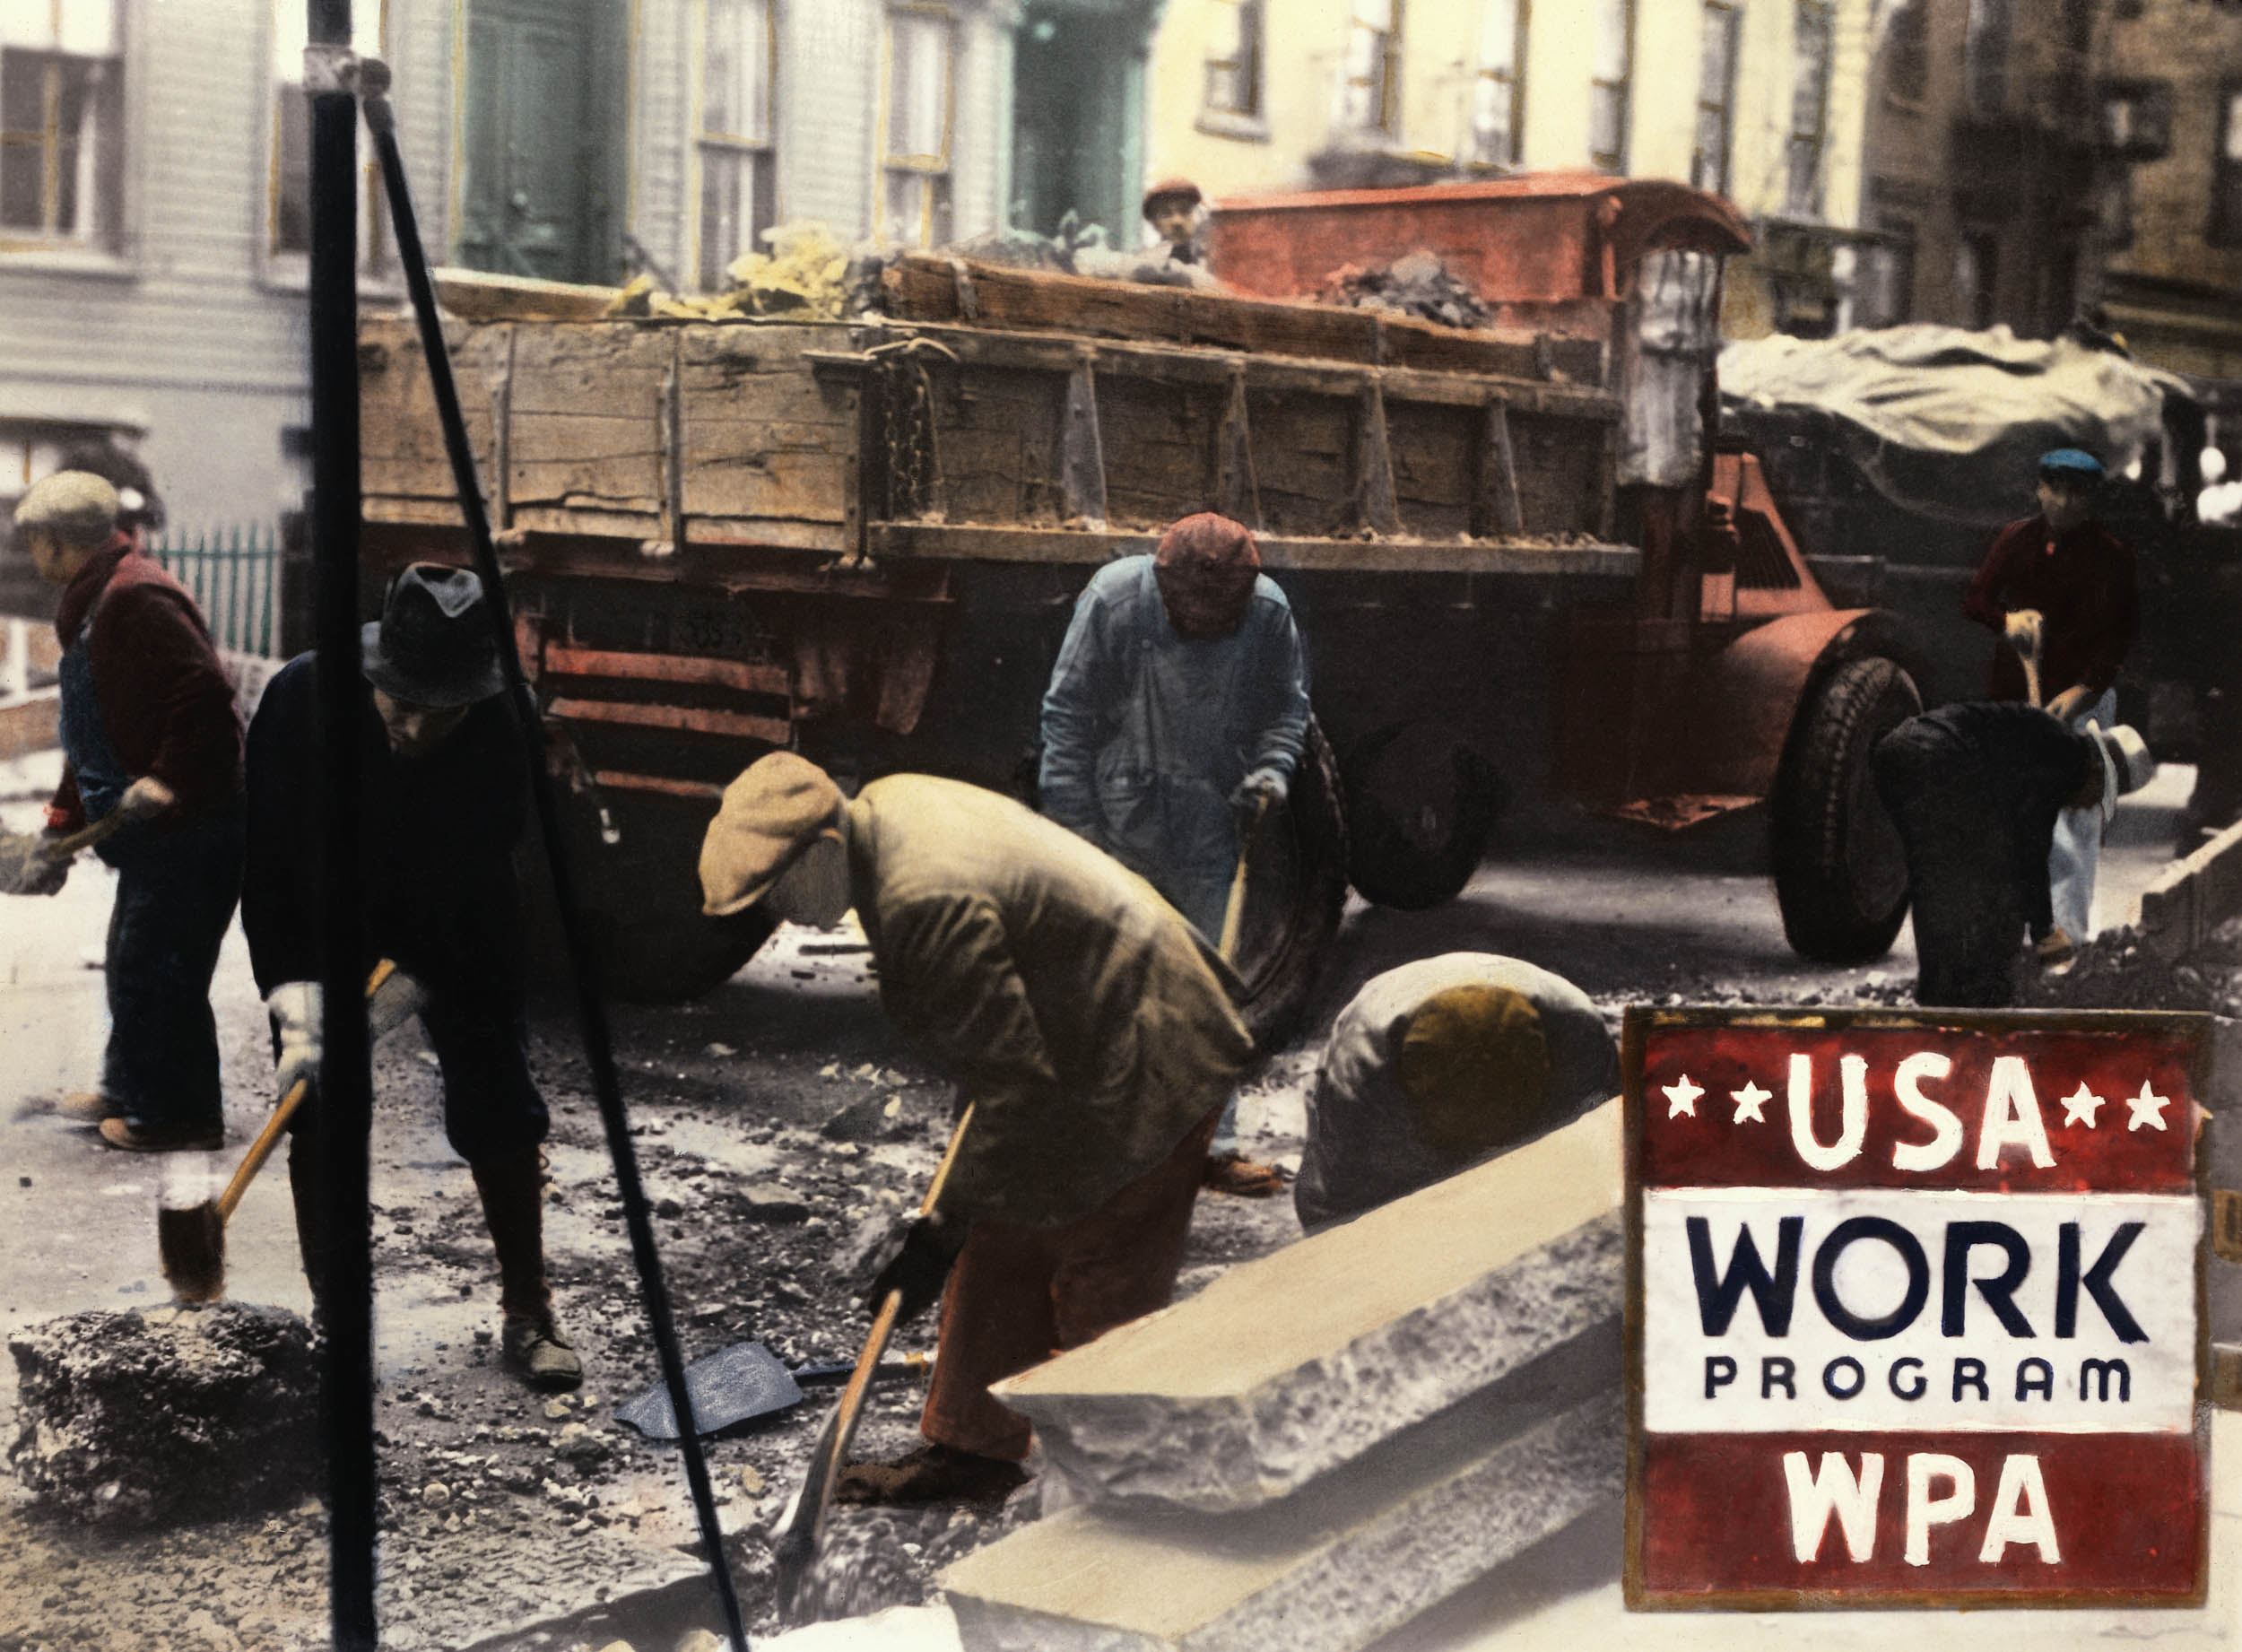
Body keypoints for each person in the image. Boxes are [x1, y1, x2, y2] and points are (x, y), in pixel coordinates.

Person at [698, 752, 1256, 1503]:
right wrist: (956, 1219)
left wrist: (940, 1228)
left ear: (824, 848)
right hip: (1079, 1031)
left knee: (1104, 1259)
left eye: (778, 890)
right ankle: (973, 1453)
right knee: (1001, 1241)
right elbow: (992, 1051)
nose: (780, 915)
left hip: (1152, 1035)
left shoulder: (921, 898)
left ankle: (1128, 1485)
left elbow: (1013, 1089)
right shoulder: (885, 808)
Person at [239, 563, 580, 1392]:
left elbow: (472, 877)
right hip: (325, 913)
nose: (420, 728)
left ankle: (529, 1309)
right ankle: (338, 1319)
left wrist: (401, 989)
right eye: (402, 705)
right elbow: (268, 865)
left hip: (458, 922)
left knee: (497, 1092)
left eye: (444, 711)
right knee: (318, 1101)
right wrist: (296, 998)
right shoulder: (299, 700)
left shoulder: (503, 721)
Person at [1038, 511, 1311, 1197]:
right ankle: (1093, 1151)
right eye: (1191, 615)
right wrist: (1077, 838)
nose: (1205, 626)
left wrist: (1273, 770)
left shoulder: (1269, 614)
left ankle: (1209, 1149)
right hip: (1116, 816)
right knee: (1105, 985)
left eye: (1222, 618)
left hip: (1208, 820)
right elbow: (1066, 722)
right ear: (1165, 590)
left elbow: (1287, 710)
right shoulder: (1113, 601)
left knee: (1206, 990)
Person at [5, 472, 244, 1152]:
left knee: (160, 969)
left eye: (36, 542)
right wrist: (59, 825)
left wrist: (168, 777)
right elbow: (90, 729)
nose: (33, 556)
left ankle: (179, 1116)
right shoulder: (97, 599)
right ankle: (130, 1088)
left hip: (192, 827)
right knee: (129, 958)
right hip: (152, 835)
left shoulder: (134, 597)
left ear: (57, 541)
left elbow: (206, 695)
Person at [1962, 448, 2139, 965]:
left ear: (2092, 499)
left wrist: (2084, 691)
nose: (2063, 502)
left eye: (2076, 493)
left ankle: (2066, 944)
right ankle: (2008, 940)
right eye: (2054, 490)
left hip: (2083, 704)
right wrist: (2006, 621)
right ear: (2039, 491)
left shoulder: (2112, 556)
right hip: (2016, 700)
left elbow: (2120, 636)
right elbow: (1975, 600)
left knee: (2075, 821)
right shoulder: (2016, 539)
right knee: (2009, 814)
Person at [1295, 953, 1618, 1233]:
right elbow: (1333, 1203)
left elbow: (1607, 1145)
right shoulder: (1362, 1075)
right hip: (1388, 1014)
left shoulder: (1579, 1034)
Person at [1873, 703, 2154, 1007]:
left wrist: (2041, 929)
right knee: (1976, 883)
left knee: (1943, 878)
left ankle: (1944, 997)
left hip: (1903, 751)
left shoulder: (2057, 747)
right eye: (2098, 798)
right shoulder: (2063, 758)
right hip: (1936, 757)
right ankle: (1963, 999)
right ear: (2098, 772)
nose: (2088, 807)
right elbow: (2029, 853)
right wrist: (2044, 933)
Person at [1143, 178, 1205, 265]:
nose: (1177, 221)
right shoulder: (1145, 264)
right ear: (1153, 222)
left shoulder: (1213, 261)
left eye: (1185, 211)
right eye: (1165, 214)